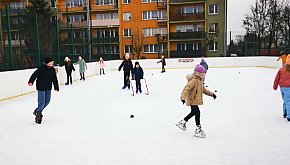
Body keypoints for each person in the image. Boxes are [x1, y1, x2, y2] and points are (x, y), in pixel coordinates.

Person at [176, 64, 216, 138]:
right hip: (192, 99)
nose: (204, 74)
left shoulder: (199, 80)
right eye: (203, 73)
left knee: (194, 112)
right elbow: (186, 88)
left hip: (195, 99)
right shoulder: (194, 80)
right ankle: (198, 129)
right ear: (199, 73)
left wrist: (212, 94)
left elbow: (203, 90)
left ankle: (182, 122)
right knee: (197, 112)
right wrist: (183, 98)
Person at [28, 57, 59, 124]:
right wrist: (31, 81)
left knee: (47, 101)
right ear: (47, 63)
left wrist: (56, 86)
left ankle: (37, 110)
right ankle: (38, 114)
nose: (52, 63)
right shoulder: (41, 68)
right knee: (41, 102)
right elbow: (34, 75)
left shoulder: (52, 70)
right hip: (41, 87)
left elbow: (54, 78)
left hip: (48, 87)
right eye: (51, 62)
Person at [273, 54, 290, 121]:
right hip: (288, 88)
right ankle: (289, 115)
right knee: (288, 101)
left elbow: (277, 79)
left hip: (282, 88)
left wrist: (275, 86)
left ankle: (285, 113)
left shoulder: (281, 69)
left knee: (286, 100)